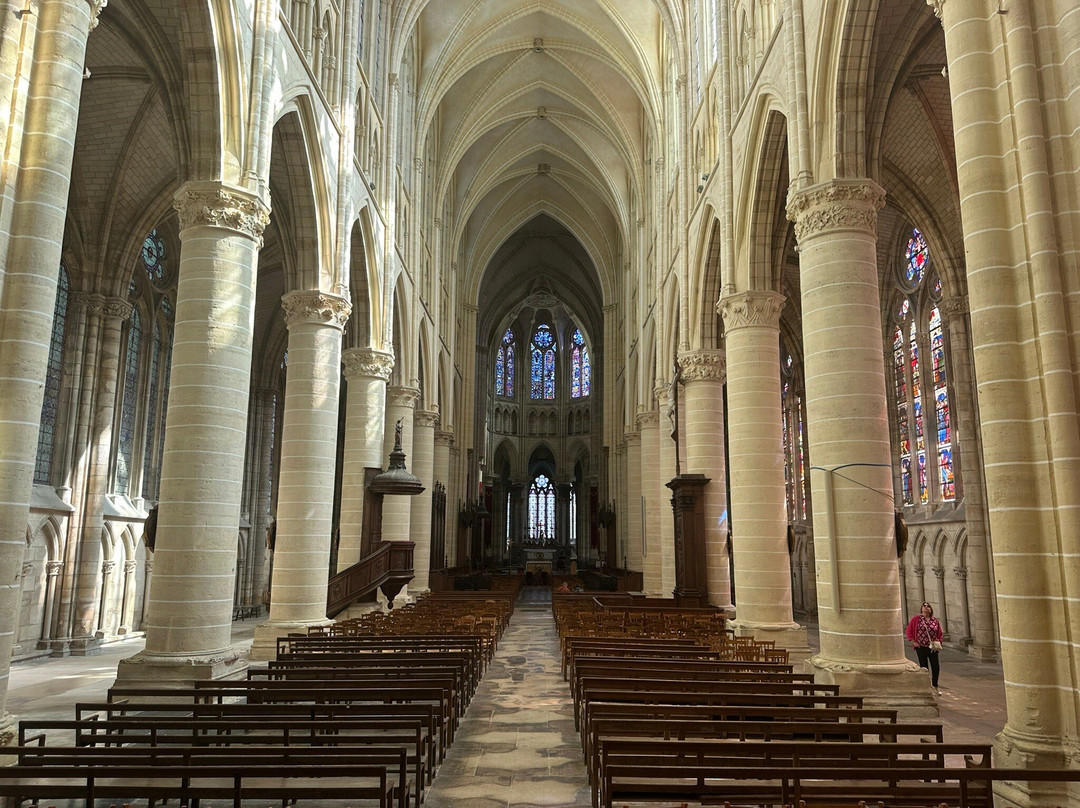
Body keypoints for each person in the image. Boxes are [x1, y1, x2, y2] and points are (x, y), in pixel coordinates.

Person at [905, 601, 944, 695]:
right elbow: (909, 631)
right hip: (921, 646)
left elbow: (940, 633)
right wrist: (913, 642)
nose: (926, 607)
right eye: (924, 606)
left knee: (935, 666)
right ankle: (926, 686)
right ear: (921, 608)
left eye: (928, 606)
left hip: (932, 647)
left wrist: (938, 641)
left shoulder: (934, 620)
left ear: (931, 609)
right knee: (924, 667)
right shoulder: (916, 619)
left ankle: (935, 685)